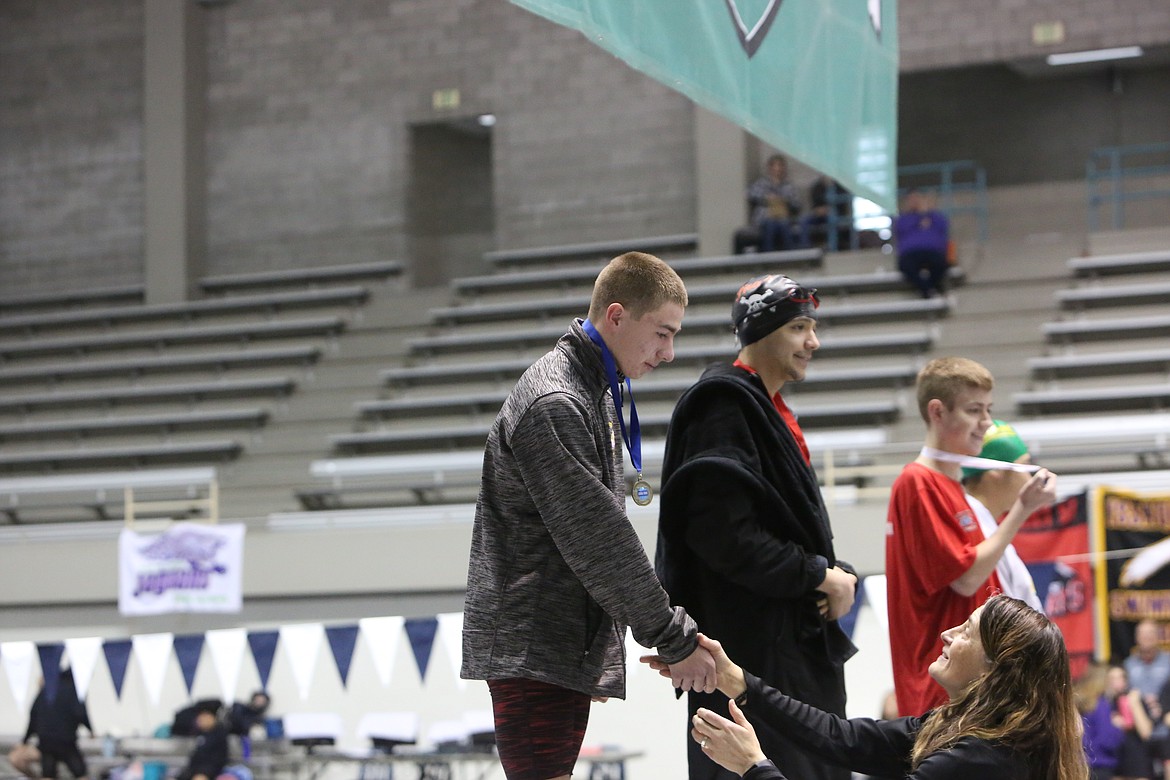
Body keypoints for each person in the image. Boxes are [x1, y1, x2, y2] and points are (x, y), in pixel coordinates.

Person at [460, 251, 716, 780]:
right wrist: (674, 638)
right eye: (662, 334)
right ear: (617, 316)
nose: (669, 353)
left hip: (552, 648)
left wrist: (593, 652)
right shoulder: (556, 400)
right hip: (535, 648)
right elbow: (598, 540)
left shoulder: (589, 388)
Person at [655, 273, 857, 780]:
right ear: (761, 332)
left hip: (783, 650)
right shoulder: (723, 406)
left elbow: (779, 531)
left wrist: (832, 571)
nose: (814, 342)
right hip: (753, 653)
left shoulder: (766, 409)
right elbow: (724, 538)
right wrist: (818, 575)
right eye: (799, 328)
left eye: (813, 327)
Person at [643, 594, 1090, 780]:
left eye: (967, 632)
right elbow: (845, 738)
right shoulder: (972, 732)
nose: (948, 634)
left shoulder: (979, 759)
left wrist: (754, 766)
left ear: (997, 667)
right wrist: (736, 681)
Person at [886, 356, 1058, 716]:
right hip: (941, 696)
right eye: (974, 411)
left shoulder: (948, 488)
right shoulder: (918, 483)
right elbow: (966, 578)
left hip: (969, 691)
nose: (986, 423)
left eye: (988, 410)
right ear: (937, 412)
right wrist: (1022, 510)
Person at [960, 419, 1044, 612]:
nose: (1030, 478)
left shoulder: (990, 527)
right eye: (1025, 467)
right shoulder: (973, 531)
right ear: (996, 471)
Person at [13, 670, 92, 780]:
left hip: (46, 742)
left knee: (48, 774)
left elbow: (34, 716)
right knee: (80, 774)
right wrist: (91, 730)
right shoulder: (75, 690)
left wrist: (25, 740)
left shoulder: (46, 691)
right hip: (66, 742)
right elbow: (80, 713)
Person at [893, 189, 950, 298]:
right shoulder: (903, 219)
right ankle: (928, 290)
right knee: (906, 266)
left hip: (933, 251)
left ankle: (929, 290)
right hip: (910, 252)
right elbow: (901, 229)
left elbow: (943, 227)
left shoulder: (935, 217)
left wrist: (927, 213)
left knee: (941, 264)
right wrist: (919, 220)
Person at [1105, 665, 1155, 780]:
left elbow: (1146, 733)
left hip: (1137, 758)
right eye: (1112, 678)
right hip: (1115, 760)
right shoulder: (1104, 703)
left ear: (1126, 680)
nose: (1116, 682)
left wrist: (1134, 704)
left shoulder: (1135, 699)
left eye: (1120, 678)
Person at [1077, 663, 1125, 780]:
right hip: (1100, 765)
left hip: (1082, 764)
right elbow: (1107, 740)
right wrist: (1117, 728)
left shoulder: (1080, 704)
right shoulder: (1101, 705)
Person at [746, 155, 803, 253]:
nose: (778, 169)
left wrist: (785, 201)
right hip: (765, 218)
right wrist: (766, 197)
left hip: (783, 218)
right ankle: (768, 257)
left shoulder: (789, 186)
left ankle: (791, 257)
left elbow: (797, 204)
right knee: (770, 225)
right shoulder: (762, 183)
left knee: (784, 225)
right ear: (770, 168)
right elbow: (749, 193)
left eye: (781, 166)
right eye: (776, 166)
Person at [799, 176, 852, 250]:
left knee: (833, 220)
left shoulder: (840, 187)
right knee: (805, 221)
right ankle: (805, 247)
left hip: (835, 215)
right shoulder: (817, 187)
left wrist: (831, 210)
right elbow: (814, 204)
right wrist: (819, 210)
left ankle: (833, 247)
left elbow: (843, 206)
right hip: (819, 215)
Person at [177, 705, 228, 780]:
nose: (202, 720)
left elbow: (218, 760)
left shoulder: (219, 734)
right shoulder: (199, 734)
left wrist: (203, 772)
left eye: (205, 716)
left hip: (210, 770)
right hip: (193, 769)